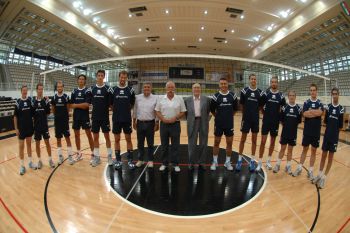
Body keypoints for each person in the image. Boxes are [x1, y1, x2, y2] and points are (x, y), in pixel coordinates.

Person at [311, 87, 344, 188]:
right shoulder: (328, 107)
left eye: (336, 94)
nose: (334, 96)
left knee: (330, 158)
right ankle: (319, 175)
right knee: (323, 156)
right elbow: (325, 122)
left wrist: (334, 135)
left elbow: (340, 126)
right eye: (333, 94)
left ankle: (324, 178)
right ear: (331, 95)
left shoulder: (341, 109)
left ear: (338, 95)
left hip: (334, 138)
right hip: (326, 136)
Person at [292, 83, 324, 179]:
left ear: (316, 91)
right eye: (311, 90)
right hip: (307, 131)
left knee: (313, 151)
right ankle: (299, 168)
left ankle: (310, 171)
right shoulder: (306, 103)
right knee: (305, 149)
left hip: (316, 132)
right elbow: (305, 114)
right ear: (310, 91)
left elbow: (321, 113)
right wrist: (315, 112)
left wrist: (311, 111)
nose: (313, 92)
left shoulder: (320, 103)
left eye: (314, 90)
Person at [155, 81, 186, 172]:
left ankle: (175, 164)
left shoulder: (179, 98)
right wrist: (162, 119)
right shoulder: (161, 98)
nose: (170, 89)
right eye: (169, 87)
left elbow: (183, 111)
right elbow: (157, 111)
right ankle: (164, 163)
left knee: (175, 146)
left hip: (175, 125)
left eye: (172, 87)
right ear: (166, 88)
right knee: (164, 146)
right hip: (164, 125)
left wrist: (176, 117)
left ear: (174, 88)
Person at [257, 76, 285, 171]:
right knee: (263, 142)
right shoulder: (266, 93)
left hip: (275, 123)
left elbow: (282, 109)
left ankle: (268, 161)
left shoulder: (281, 95)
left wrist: (280, 119)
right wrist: (265, 114)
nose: (274, 83)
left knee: (272, 142)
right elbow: (261, 106)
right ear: (270, 83)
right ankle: (260, 162)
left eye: (275, 82)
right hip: (266, 121)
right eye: (272, 82)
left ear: (277, 83)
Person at [209, 78, 238, 171]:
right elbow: (212, 110)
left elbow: (235, 109)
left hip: (229, 124)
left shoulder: (233, 96)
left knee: (229, 143)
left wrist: (228, 116)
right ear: (219, 85)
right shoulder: (215, 96)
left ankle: (227, 162)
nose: (223, 85)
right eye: (221, 84)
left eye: (225, 83)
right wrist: (218, 117)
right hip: (219, 124)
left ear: (227, 84)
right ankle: (215, 161)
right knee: (216, 142)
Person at [86, 70, 113, 167]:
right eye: (99, 75)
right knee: (96, 137)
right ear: (96, 77)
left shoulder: (108, 89)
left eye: (102, 75)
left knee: (107, 137)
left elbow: (111, 104)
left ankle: (110, 156)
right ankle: (97, 157)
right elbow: (87, 102)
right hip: (95, 117)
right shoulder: (91, 89)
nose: (100, 77)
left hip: (105, 117)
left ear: (104, 77)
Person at [237, 74, 263, 172]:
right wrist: (246, 115)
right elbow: (241, 105)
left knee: (254, 141)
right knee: (243, 139)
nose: (253, 80)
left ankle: (252, 161)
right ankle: (239, 160)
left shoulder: (260, 93)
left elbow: (260, 107)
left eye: (255, 79)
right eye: (252, 79)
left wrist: (254, 113)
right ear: (249, 80)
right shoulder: (244, 91)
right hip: (246, 119)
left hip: (255, 120)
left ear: (256, 81)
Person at [111, 70, 136, 169]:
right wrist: (117, 111)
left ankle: (130, 160)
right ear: (119, 77)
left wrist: (124, 110)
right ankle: (118, 160)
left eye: (125, 78)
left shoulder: (130, 90)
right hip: (116, 119)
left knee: (128, 139)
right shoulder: (113, 90)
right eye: (121, 77)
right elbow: (111, 104)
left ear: (126, 78)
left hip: (126, 119)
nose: (123, 79)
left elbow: (132, 104)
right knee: (116, 140)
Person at [272, 91, 302, 174]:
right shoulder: (284, 107)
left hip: (293, 133)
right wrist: (286, 127)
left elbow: (299, 121)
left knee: (290, 150)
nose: (292, 97)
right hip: (285, 133)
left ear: (295, 97)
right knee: (282, 149)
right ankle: (277, 165)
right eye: (290, 95)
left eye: (293, 95)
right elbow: (281, 120)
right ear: (288, 97)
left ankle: (288, 166)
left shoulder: (298, 109)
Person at [185, 83, 211, 170]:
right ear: (192, 89)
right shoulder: (187, 100)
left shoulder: (206, 99)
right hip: (192, 123)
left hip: (203, 122)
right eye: (195, 88)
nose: (196, 89)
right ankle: (191, 162)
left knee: (203, 143)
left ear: (200, 89)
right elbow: (186, 113)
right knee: (191, 144)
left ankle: (202, 162)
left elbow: (207, 111)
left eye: (198, 88)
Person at [133, 83, 159, 168]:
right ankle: (140, 160)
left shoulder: (155, 98)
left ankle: (150, 160)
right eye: (145, 87)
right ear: (142, 88)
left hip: (150, 123)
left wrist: (157, 122)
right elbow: (135, 110)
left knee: (150, 143)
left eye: (148, 87)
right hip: (140, 123)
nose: (146, 88)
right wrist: (134, 121)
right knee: (140, 143)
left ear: (151, 88)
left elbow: (157, 111)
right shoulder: (138, 97)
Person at [70, 74, 94, 162]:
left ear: (85, 81)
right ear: (77, 80)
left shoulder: (87, 91)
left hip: (84, 117)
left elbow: (86, 105)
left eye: (82, 79)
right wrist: (78, 105)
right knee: (76, 135)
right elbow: (71, 105)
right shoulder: (74, 91)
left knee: (89, 135)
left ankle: (93, 154)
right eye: (79, 79)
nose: (81, 80)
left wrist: (76, 105)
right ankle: (79, 153)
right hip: (76, 116)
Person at [14, 85, 37, 175]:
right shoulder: (17, 102)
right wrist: (16, 128)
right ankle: (22, 166)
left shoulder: (30, 101)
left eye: (26, 90)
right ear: (21, 91)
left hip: (29, 128)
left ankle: (30, 162)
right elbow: (15, 117)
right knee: (21, 147)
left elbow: (34, 114)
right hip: (21, 129)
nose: (25, 92)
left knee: (29, 146)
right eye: (23, 90)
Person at [32, 83, 55, 169]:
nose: (40, 91)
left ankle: (50, 160)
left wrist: (47, 102)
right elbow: (32, 115)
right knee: (37, 144)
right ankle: (39, 161)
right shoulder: (33, 101)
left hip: (44, 126)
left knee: (47, 143)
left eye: (42, 89)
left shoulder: (45, 100)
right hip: (37, 127)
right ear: (36, 90)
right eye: (39, 89)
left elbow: (48, 113)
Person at [51, 81, 74, 165]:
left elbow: (68, 109)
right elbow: (53, 109)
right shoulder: (54, 97)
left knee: (68, 138)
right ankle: (60, 157)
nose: (59, 88)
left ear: (62, 87)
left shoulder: (66, 96)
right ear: (56, 88)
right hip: (57, 122)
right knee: (58, 140)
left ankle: (70, 156)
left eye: (61, 86)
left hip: (65, 122)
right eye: (58, 87)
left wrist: (64, 116)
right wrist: (57, 116)